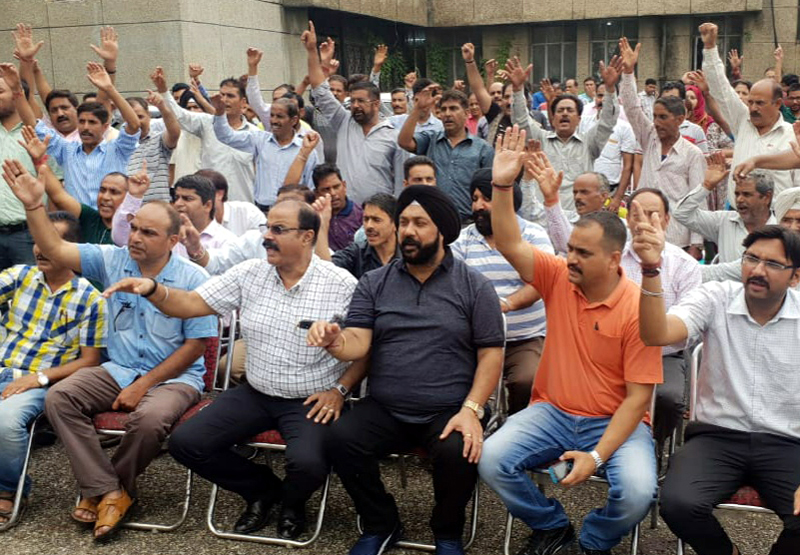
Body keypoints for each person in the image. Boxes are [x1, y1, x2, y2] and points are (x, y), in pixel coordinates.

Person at [103, 198, 360, 540]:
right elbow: (191, 303)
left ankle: (293, 504)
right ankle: (262, 490)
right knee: (187, 443)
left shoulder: (340, 283)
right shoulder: (249, 273)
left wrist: (341, 390)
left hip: (310, 398)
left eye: (278, 229)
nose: (267, 236)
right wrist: (153, 289)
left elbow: (366, 346)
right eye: (266, 227)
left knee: (309, 463)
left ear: (307, 236)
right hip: (256, 391)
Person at [5, 161, 216, 541]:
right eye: (134, 227)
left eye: (148, 233)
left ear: (172, 241)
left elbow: (195, 346)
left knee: (149, 421)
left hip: (175, 377)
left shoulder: (194, 278)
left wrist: (144, 385)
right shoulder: (113, 259)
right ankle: (110, 491)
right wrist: (34, 205)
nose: (135, 237)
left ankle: (104, 489)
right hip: (119, 368)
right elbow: (54, 247)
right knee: (60, 397)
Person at [479, 126, 662, 555]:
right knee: (491, 458)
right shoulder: (559, 276)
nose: (570, 258)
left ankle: (595, 541)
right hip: (552, 412)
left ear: (614, 260)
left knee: (638, 492)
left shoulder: (641, 308)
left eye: (582, 253)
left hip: (616, 421)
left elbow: (638, 399)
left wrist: (596, 457)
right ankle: (552, 526)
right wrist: (502, 185)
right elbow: (509, 241)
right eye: (571, 248)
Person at [307, 185, 505, 555]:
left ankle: (447, 532)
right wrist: (334, 340)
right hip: (387, 407)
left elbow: (492, 354)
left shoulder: (474, 287)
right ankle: (381, 523)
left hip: (450, 408)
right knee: (339, 438)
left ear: (442, 230)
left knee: (459, 450)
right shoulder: (375, 282)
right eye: (404, 222)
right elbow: (358, 343)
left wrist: (472, 409)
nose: (408, 231)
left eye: (420, 223)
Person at [635, 220, 800, 555]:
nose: (757, 270)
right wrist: (651, 270)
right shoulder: (716, 298)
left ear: (795, 276)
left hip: (787, 442)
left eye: (773, 264)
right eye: (751, 259)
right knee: (678, 504)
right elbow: (656, 334)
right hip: (717, 437)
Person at [0, 206, 106, 527]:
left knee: (5, 422)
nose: (39, 248)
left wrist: (39, 378)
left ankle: (8, 490)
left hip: (42, 381)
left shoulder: (91, 300)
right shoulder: (20, 276)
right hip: (4, 366)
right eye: (37, 239)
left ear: (71, 249)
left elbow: (90, 361)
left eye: (50, 241)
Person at [451, 169, 553, 414]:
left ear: (508, 202)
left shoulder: (534, 234)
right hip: (475, 339)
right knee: (457, 381)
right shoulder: (463, 240)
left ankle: (519, 426)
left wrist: (505, 304)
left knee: (526, 381)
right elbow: (452, 285)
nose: (479, 206)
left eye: (486, 198)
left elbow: (542, 283)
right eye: (475, 199)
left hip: (525, 338)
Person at [618, 37, 706, 257]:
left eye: (663, 117)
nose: (656, 122)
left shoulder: (693, 154)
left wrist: (696, 245)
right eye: (655, 116)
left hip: (677, 239)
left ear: (680, 119)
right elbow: (631, 107)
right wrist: (628, 73)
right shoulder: (649, 138)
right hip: (642, 232)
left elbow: (698, 201)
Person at [303, 22, 405, 203]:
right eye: (352, 101)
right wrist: (312, 51)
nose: (355, 105)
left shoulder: (393, 136)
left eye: (361, 101)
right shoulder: (344, 121)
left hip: (379, 212)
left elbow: (400, 182)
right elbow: (320, 90)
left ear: (376, 104)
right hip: (345, 210)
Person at [701, 23, 798, 205]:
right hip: (737, 215)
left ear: (778, 104)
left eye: (760, 103)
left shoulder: (791, 135)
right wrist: (710, 48)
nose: (753, 108)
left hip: (776, 217)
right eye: (751, 102)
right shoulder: (742, 121)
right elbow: (721, 89)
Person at [508, 56, 621, 211]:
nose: (565, 113)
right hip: (544, 216)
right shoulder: (539, 141)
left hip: (579, 216)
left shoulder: (589, 142)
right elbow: (521, 120)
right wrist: (516, 89)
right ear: (553, 118)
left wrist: (610, 88)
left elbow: (607, 121)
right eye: (560, 111)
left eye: (570, 110)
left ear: (579, 119)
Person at [26, 64, 139, 210]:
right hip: (78, 220)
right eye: (82, 122)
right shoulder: (66, 150)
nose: (85, 127)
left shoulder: (118, 149)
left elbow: (134, 125)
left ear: (105, 127)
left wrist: (110, 89)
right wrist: (17, 93)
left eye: (92, 122)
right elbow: (33, 123)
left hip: (113, 220)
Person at [162, 68, 257, 203]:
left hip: (243, 204)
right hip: (210, 206)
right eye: (222, 95)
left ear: (243, 102)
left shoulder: (255, 134)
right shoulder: (206, 123)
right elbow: (180, 115)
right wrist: (163, 91)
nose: (224, 100)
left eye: (230, 96)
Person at [398, 88, 494, 220]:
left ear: (466, 113)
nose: (447, 114)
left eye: (453, 109)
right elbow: (404, 142)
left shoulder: (483, 149)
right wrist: (418, 109)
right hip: (434, 220)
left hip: (469, 221)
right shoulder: (431, 140)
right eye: (443, 109)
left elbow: (488, 189)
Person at [675, 154, 776, 263]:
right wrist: (707, 185)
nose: (739, 200)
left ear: (766, 197)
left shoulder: (780, 228)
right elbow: (681, 213)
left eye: (747, 194)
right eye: (737, 194)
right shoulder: (723, 221)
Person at [0, 64, 43, 270]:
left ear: (18, 96)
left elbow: (55, 183)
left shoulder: (36, 135)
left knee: (31, 287)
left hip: (27, 234)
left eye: (0, 91)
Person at [578, 83, 638, 210]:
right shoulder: (582, 122)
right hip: (583, 190)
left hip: (611, 192)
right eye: (600, 96)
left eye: (608, 97)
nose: (603, 100)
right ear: (595, 97)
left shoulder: (625, 128)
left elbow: (628, 166)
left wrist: (617, 198)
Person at [316, 193, 400, 279]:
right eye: (366, 219)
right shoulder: (357, 253)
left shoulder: (407, 253)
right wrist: (322, 225)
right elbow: (326, 271)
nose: (369, 226)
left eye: (376, 220)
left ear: (395, 224)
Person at [125, 85, 180, 202]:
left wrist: (162, 107)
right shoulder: (117, 146)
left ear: (149, 116)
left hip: (157, 209)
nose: (136, 122)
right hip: (128, 209)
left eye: (140, 116)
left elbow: (174, 133)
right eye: (130, 118)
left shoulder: (159, 139)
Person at [196, 169, 266, 237]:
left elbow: (264, 239)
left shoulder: (248, 213)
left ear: (219, 194)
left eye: (201, 195)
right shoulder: (192, 220)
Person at [311, 163, 362, 251]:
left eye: (336, 187)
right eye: (326, 189)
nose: (333, 193)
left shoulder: (361, 215)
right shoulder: (313, 219)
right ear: (316, 193)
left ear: (344, 185)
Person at [658, 81, 709, 154]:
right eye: (664, 100)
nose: (667, 104)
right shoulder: (651, 130)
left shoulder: (695, 131)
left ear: (682, 103)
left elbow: (703, 157)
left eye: (672, 100)